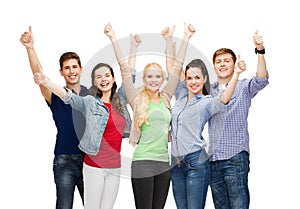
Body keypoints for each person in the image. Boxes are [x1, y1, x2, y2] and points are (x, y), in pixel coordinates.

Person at [33, 32, 140, 209]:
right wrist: (46, 82)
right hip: (93, 164)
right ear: (94, 82)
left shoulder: (120, 101)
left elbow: (129, 75)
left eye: (107, 76)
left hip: (115, 167)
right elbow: (68, 97)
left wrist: (130, 46)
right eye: (99, 77)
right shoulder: (90, 102)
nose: (104, 79)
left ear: (113, 79)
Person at [105, 22, 195, 209]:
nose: (154, 80)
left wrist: (186, 37)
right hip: (142, 162)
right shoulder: (136, 97)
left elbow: (177, 68)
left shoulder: (166, 97)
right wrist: (113, 38)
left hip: (163, 163)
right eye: (149, 77)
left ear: (163, 79)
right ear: (144, 79)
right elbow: (123, 68)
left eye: (157, 77)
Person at [20, 26, 88, 209]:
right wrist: (30, 48)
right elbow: (40, 76)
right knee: (63, 206)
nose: (71, 71)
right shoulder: (55, 95)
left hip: (89, 160)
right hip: (64, 159)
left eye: (74, 67)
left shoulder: (91, 95)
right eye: (67, 68)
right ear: (61, 72)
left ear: (81, 69)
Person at [170, 57, 245, 209]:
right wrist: (176, 39)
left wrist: (236, 74)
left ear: (204, 79)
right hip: (175, 165)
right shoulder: (180, 97)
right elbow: (172, 67)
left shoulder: (206, 102)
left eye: (197, 77)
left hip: (196, 162)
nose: (193, 82)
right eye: (189, 78)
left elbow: (224, 98)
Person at [208, 30, 269, 209]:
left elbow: (262, 79)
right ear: (214, 67)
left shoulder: (243, 87)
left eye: (227, 61)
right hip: (213, 160)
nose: (222, 64)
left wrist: (260, 50)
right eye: (218, 62)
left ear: (234, 64)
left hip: (235, 157)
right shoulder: (208, 90)